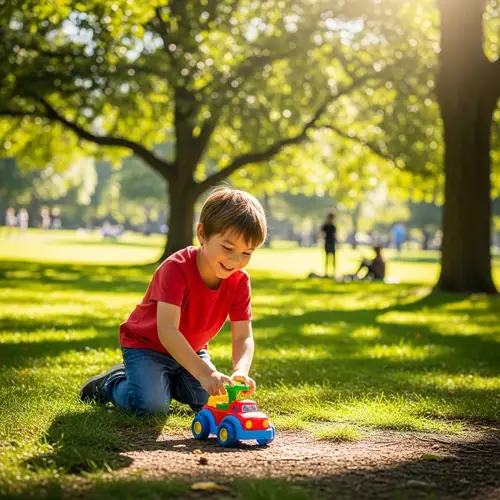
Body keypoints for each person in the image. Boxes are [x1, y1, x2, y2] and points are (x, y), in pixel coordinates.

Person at [79, 187, 267, 416]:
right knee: (152, 407)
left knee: (211, 400)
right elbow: (167, 331)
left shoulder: (239, 281)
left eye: (247, 253)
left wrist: (241, 370)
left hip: (191, 350)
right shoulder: (176, 269)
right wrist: (204, 373)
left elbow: (243, 336)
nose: (235, 260)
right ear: (202, 234)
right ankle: (111, 383)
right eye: (228, 248)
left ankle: (171, 381)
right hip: (147, 347)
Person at [320, 213, 337, 277]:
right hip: (327, 243)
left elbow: (335, 235)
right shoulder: (326, 226)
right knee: (327, 259)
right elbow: (321, 233)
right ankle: (326, 273)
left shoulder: (333, 226)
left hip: (332, 243)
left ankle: (333, 273)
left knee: (333, 259)